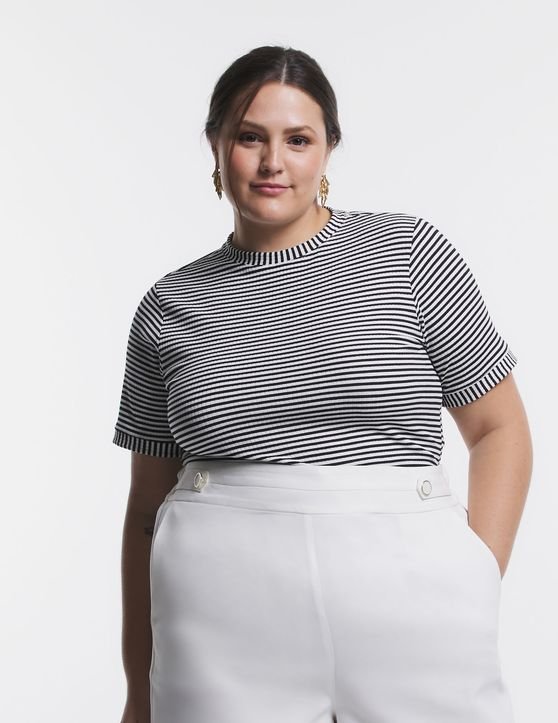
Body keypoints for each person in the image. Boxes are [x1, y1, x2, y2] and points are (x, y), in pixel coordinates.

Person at [114, 45, 532, 723]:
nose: (273, 162)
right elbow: (144, 507)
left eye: (298, 140)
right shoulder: (168, 304)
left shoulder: (410, 254)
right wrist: (139, 689)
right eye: (250, 137)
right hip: (218, 611)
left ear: (329, 149)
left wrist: (477, 575)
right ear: (216, 145)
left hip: (414, 598)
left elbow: (499, 428)